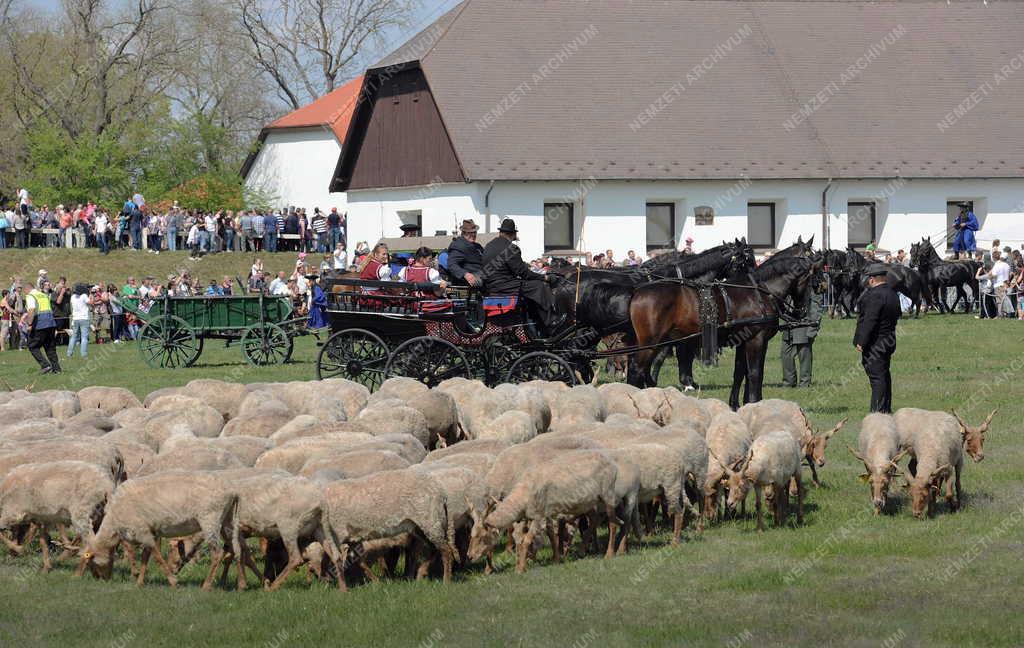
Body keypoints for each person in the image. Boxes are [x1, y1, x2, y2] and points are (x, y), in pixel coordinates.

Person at [483, 218, 564, 334]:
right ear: (513, 234)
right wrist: (545, 278)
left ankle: (536, 320)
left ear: (500, 232)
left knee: (529, 288)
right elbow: (523, 273)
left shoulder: (489, 245)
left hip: (492, 286)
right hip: (504, 286)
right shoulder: (510, 248)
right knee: (539, 287)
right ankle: (552, 321)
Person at [853, 264, 901, 413]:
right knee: (884, 375)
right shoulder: (893, 294)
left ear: (872, 280)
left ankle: (877, 412)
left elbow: (870, 320)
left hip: (875, 343)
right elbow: (897, 314)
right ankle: (886, 408)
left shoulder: (875, 295)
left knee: (877, 378)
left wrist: (861, 341)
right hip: (889, 339)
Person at [781, 286, 822, 388]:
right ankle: (789, 382)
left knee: (804, 356)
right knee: (785, 354)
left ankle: (804, 383)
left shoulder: (809, 287)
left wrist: (813, 328)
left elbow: (816, 307)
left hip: (804, 325)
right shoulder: (789, 286)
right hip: (788, 324)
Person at [21, 278, 61, 373]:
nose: (25, 294)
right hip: (51, 323)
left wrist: (30, 324)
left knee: (32, 346)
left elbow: (31, 310)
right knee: (50, 347)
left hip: (40, 323)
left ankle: (45, 365)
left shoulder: (30, 296)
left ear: (27, 289)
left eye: (25, 292)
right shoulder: (43, 295)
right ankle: (57, 369)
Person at [446, 220, 484, 286]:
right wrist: (465, 274)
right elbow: (452, 264)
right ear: (463, 233)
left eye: (474, 232)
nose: (473, 235)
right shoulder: (458, 246)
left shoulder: (478, 246)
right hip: (469, 282)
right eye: (470, 233)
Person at [67, 284, 91, 358]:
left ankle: (69, 353)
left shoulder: (72, 297)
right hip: (84, 318)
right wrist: (91, 295)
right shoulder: (84, 296)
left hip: (75, 318)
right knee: (84, 337)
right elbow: (90, 303)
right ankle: (84, 354)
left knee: (74, 337)